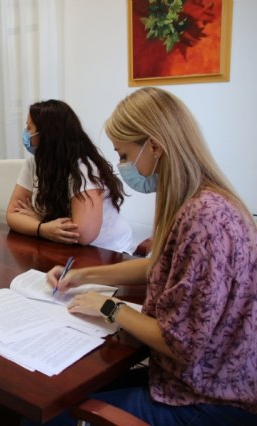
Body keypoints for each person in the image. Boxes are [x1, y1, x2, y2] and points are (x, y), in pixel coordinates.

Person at [40, 88, 257, 425]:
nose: (122, 166)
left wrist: (110, 307)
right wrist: (82, 276)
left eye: (124, 155)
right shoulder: (200, 200)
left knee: (49, 411)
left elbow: (179, 342)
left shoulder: (204, 219)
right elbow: (160, 266)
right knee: (61, 389)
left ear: (154, 147)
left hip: (208, 399)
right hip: (194, 379)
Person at [6, 100, 133, 253]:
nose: (26, 133)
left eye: (29, 128)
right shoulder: (33, 163)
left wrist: (39, 219)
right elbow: (13, 214)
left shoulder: (84, 167)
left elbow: (81, 234)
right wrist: (42, 228)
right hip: (60, 248)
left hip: (106, 252)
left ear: (47, 134)